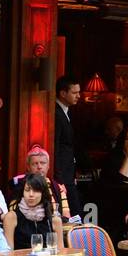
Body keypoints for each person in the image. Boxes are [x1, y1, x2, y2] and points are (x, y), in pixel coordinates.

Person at [54, 75, 82, 210]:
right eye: (74, 93)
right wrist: (60, 179)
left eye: (79, 92)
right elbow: (56, 147)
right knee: (74, 213)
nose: (79, 96)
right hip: (62, 176)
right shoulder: (56, 114)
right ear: (63, 93)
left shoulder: (66, 112)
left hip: (68, 174)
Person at [23, 147, 71, 218]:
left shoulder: (58, 187)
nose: (39, 167)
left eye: (43, 163)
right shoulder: (22, 187)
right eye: (35, 164)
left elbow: (66, 215)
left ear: (48, 166)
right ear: (28, 167)